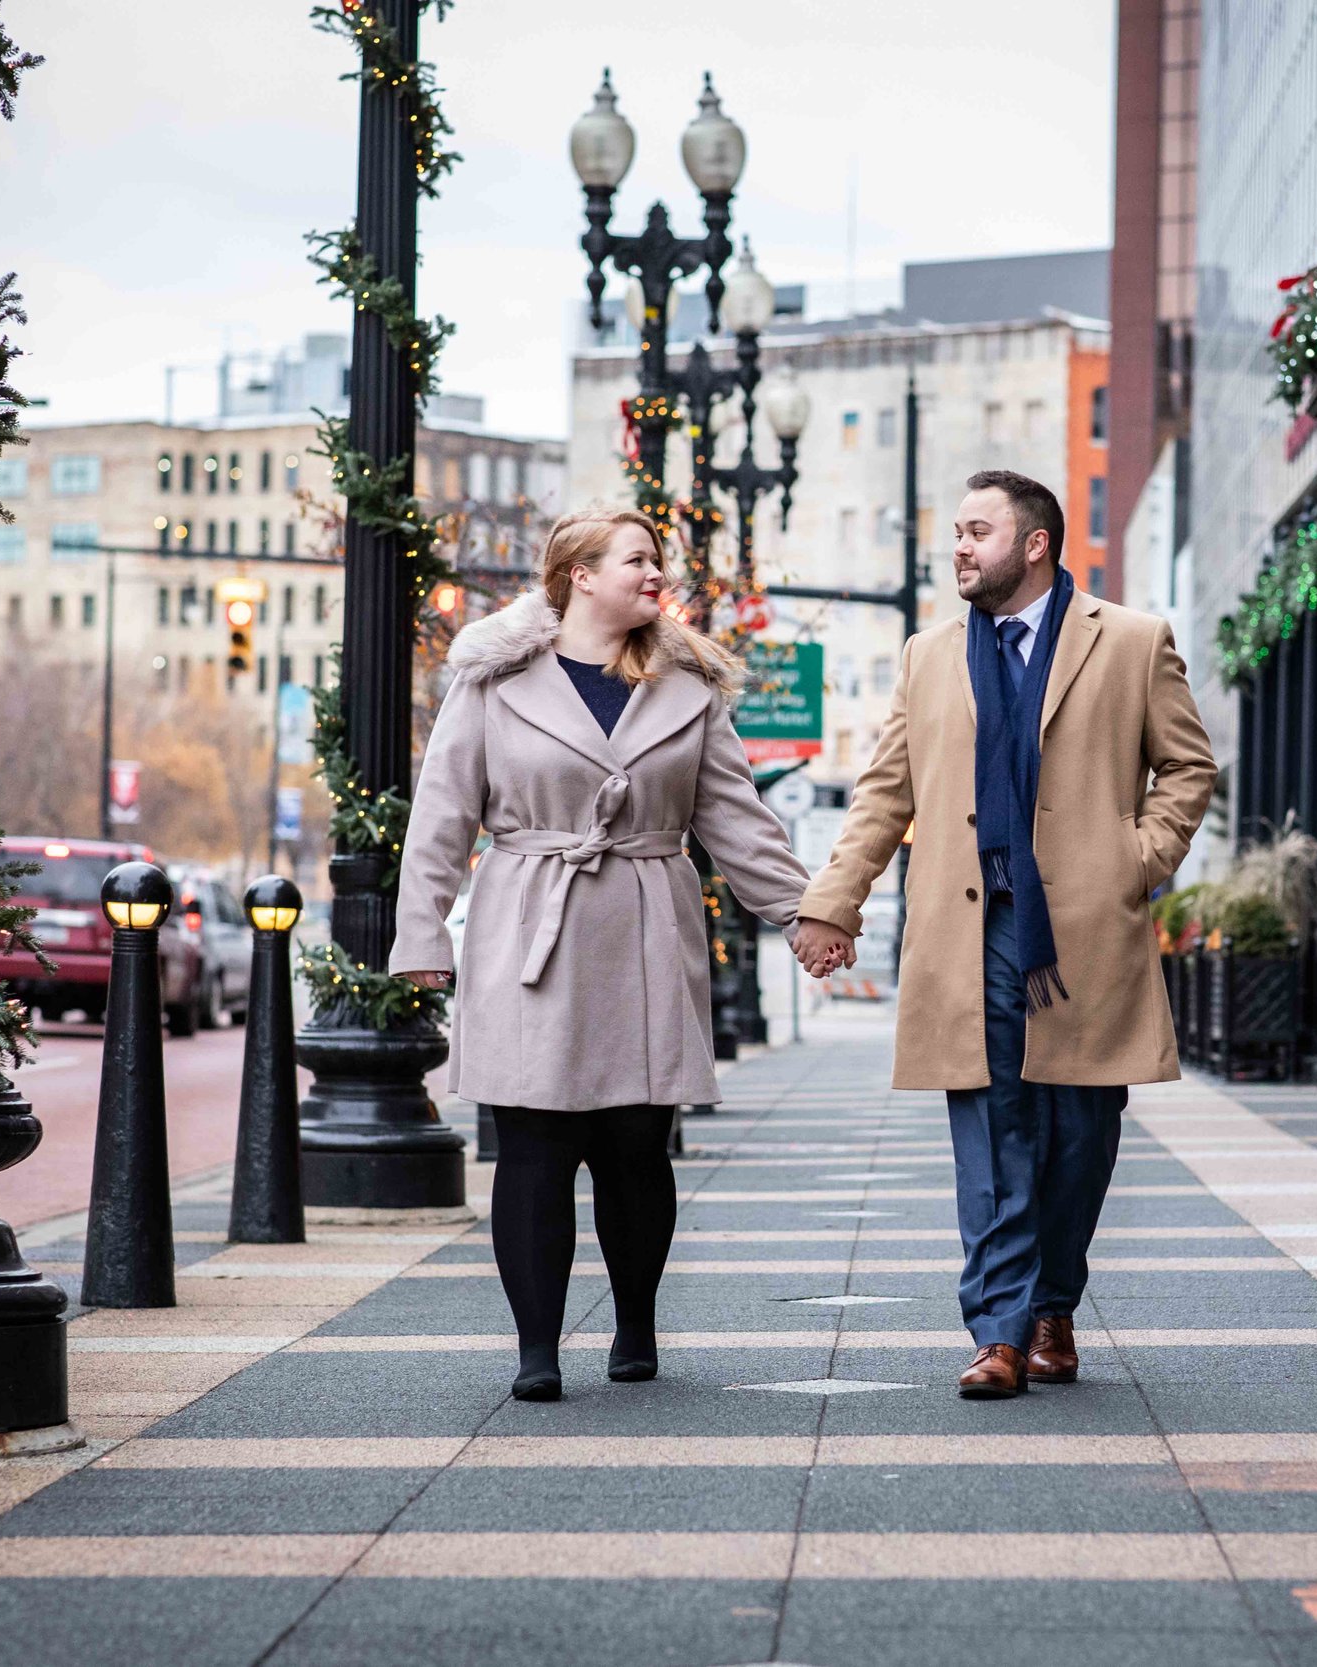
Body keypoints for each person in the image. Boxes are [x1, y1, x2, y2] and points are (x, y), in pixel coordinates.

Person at [795, 470, 1217, 1398]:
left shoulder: (1134, 641)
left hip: (1084, 933)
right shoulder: (929, 654)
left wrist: (1134, 861)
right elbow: (886, 792)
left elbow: (1188, 769)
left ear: (1034, 543)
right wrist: (835, 897)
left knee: (1081, 1134)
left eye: (977, 530)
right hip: (970, 924)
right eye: (955, 530)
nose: (958, 546)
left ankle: (1053, 1302)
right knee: (992, 1128)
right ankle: (998, 1329)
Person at [389, 507, 812, 1402]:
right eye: (638, 559)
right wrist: (421, 932)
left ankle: (635, 1322)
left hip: (647, 924)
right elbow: (441, 817)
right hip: (529, 923)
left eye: (658, 560)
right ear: (579, 574)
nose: (657, 573)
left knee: (634, 1143)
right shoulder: (494, 682)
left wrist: (805, 914)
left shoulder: (687, 686)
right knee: (534, 1145)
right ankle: (536, 1347)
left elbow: (737, 822)